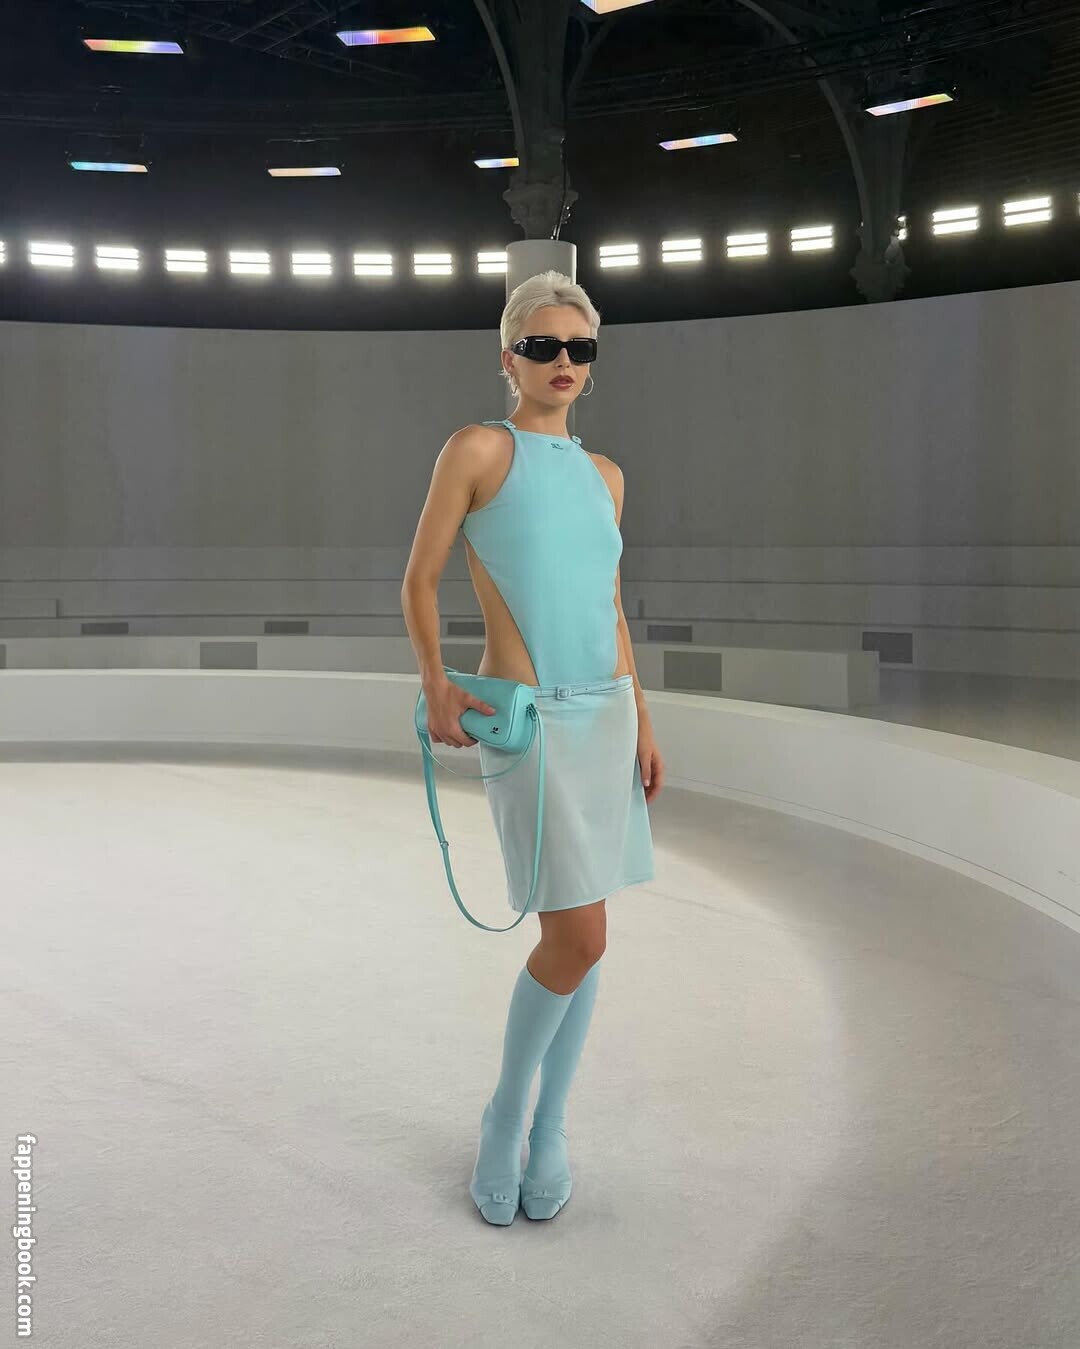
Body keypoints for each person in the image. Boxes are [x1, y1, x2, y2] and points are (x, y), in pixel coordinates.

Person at [401, 269, 665, 1225]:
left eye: (579, 349)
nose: (562, 362)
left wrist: (643, 719)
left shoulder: (607, 476)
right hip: (534, 720)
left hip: (606, 716)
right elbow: (420, 578)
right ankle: (506, 1114)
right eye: (543, 345)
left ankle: (550, 1125)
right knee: (578, 935)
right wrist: (438, 684)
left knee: (582, 938)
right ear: (508, 356)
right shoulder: (478, 449)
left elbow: (609, 606)